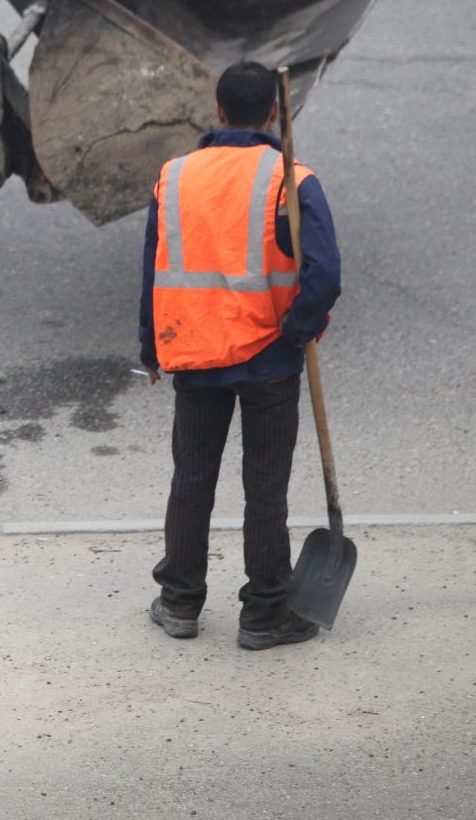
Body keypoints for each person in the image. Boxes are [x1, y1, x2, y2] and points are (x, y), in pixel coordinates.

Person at [139, 61, 341, 651]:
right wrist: (297, 329)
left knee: (192, 479)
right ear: (274, 113)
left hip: (196, 357)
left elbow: (153, 267)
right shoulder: (292, 180)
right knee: (265, 489)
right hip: (269, 362)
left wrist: (151, 347)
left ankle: (178, 601)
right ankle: (265, 614)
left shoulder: (174, 177)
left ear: (219, 111)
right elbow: (323, 273)